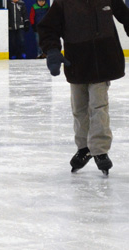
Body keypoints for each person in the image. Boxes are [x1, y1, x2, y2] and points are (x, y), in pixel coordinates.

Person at [38, 0, 129, 177]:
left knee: (98, 106)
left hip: (103, 62)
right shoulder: (64, 2)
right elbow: (48, 27)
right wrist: (53, 51)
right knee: (79, 109)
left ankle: (100, 150)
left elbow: (126, 16)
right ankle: (84, 148)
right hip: (77, 62)